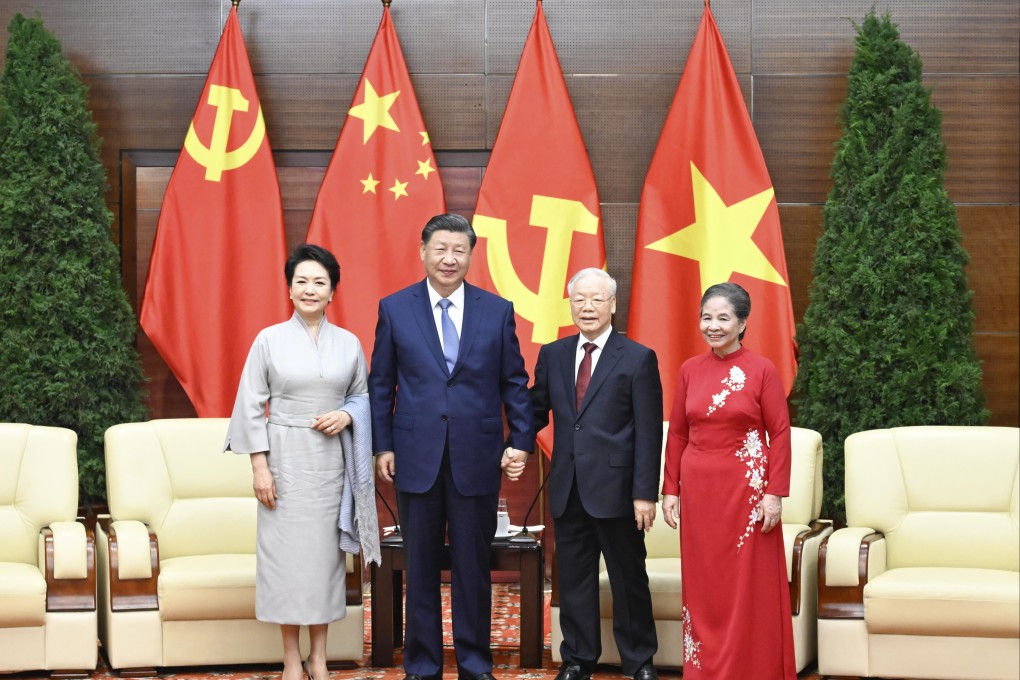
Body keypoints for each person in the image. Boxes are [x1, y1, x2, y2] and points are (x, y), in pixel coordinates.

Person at [369, 213, 534, 680]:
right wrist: (383, 445)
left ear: (470, 255)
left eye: (458, 250)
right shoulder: (395, 308)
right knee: (419, 566)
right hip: (415, 454)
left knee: (471, 566)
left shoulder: (496, 310)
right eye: (440, 248)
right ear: (422, 250)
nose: (449, 258)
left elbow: (514, 382)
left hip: (476, 454)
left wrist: (520, 440)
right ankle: (422, 666)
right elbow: (381, 385)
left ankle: (475, 664)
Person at [225, 244, 379, 680]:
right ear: (289, 288)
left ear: (333, 292)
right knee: (285, 564)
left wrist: (346, 414)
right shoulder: (268, 339)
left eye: (320, 282)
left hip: (331, 464)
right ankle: (292, 658)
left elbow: (362, 398)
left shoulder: (348, 343)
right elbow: (250, 405)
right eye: (301, 281)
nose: (310, 289)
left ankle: (320, 657)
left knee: (324, 566)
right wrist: (260, 467)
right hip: (283, 460)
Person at [530, 268, 662, 680]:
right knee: (574, 582)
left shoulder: (638, 357)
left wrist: (645, 494)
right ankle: (577, 660)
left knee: (628, 580)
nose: (587, 307)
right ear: (570, 304)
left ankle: (639, 662)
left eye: (596, 299)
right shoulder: (553, 354)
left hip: (619, 491)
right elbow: (534, 410)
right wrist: (513, 441)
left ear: (613, 305)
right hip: (568, 487)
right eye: (579, 300)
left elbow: (648, 430)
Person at [660, 282, 795, 679]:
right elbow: (679, 434)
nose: (713, 326)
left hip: (748, 493)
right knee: (705, 588)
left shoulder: (762, 369)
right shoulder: (689, 370)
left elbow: (781, 433)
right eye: (707, 317)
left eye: (723, 318)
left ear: (742, 323)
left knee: (747, 586)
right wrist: (671, 489)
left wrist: (774, 493)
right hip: (700, 493)